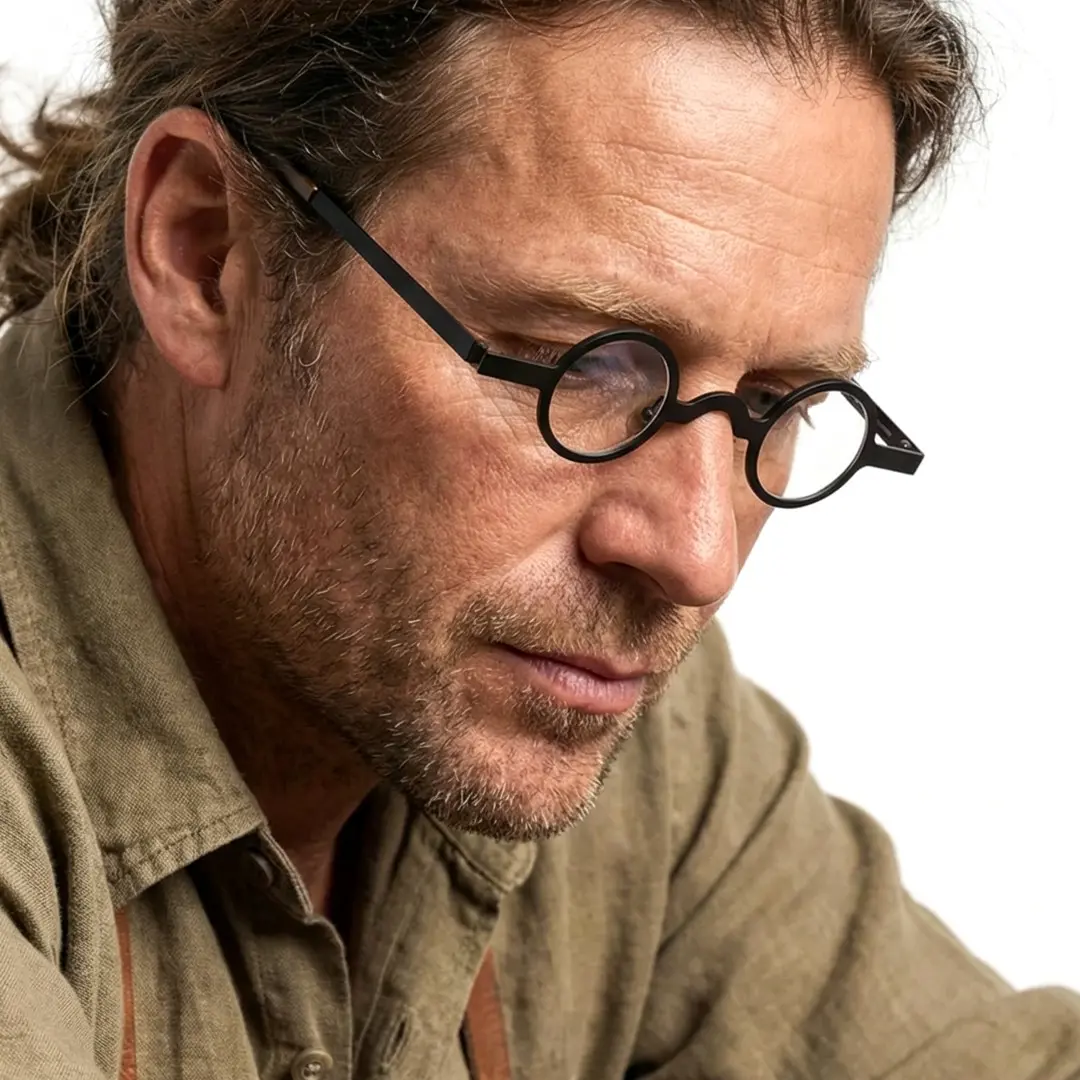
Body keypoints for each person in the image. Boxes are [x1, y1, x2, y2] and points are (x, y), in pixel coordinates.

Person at [1, 1, 1077, 1077]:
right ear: (205, 252)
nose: (696, 556)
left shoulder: (614, 721)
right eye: (583, 367)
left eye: (773, 405)